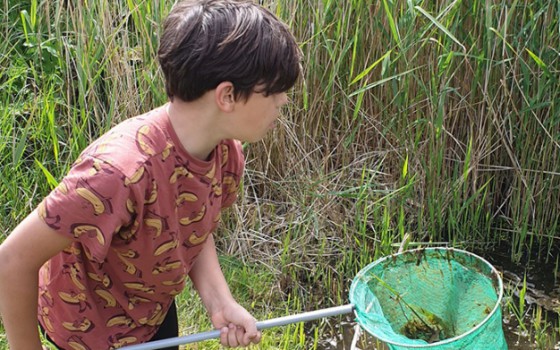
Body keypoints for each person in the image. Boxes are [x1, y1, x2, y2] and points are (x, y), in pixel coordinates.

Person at [0, 0, 301, 348]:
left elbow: (193, 226)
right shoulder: (117, 174)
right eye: (275, 91)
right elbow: (12, 261)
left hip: (151, 315)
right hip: (87, 330)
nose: (283, 102)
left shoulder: (225, 153)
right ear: (227, 95)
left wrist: (220, 302)